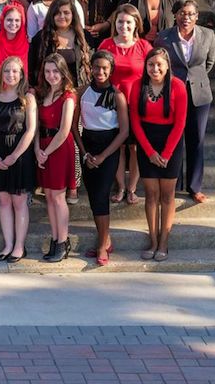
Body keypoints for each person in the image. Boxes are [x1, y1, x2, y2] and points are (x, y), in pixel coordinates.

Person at [156, 0, 215, 203]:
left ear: (197, 16)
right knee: (174, 139)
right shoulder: (164, 37)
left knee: (196, 140)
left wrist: (193, 81)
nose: (186, 18)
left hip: (199, 95)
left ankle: (194, 186)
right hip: (173, 94)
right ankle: (173, 183)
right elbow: (160, 66)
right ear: (176, 15)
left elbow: (208, 63)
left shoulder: (207, 35)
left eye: (191, 13)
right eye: (182, 13)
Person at [129, 47, 187, 261]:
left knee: (167, 195)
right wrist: (150, 152)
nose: (155, 68)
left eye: (159, 65)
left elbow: (180, 122)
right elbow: (134, 120)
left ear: (167, 66)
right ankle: (153, 240)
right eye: (151, 64)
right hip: (147, 143)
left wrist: (166, 152)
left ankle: (164, 241)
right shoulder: (138, 86)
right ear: (146, 65)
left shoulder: (178, 87)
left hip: (170, 143)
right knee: (151, 195)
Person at [74, 50, 129, 266]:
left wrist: (103, 156)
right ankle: (106, 239)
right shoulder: (82, 92)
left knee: (101, 195)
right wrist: (85, 153)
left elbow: (124, 131)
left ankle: (101, 245)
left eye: (105, 68)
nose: (100, 72)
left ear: (111, 70)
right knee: (93, 195)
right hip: (88, 146)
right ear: (90, 68)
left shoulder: (117, 96)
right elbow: (74, 126)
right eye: (96, 67)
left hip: (109, 148)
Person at [99, 4, 154, 205]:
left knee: (135, 147)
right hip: (111, 103)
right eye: (120, 22)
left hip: (137, 103)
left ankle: (132, 188)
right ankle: (121, 187)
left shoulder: (144, 47)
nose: (124, 26)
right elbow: (99, 74)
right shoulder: (106, 45)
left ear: (136, 24)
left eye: (128, 22)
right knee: (118, 147)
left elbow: (153, 75)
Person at [35, 54, 77, 263]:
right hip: (43, 146)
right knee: (49, 196)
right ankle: (54, 238)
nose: (52, 76)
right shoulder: (42, 94)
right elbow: (36, 127)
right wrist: (37, 150)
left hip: (59, 148)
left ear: (63, 72)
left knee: (59, 197)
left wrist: (46, 151)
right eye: (48, 71)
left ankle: (63, 240)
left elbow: (64, 130)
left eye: (55, 71)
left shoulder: (68, 95)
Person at [28, 0, 90, 93]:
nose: (61, 16)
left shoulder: (84, 36)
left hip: (79, 92)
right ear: (51, 15)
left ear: (73, 15)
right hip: (49, 93)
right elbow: (32, 67)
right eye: (57, 13)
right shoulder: (41, 37)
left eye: (66, 13)